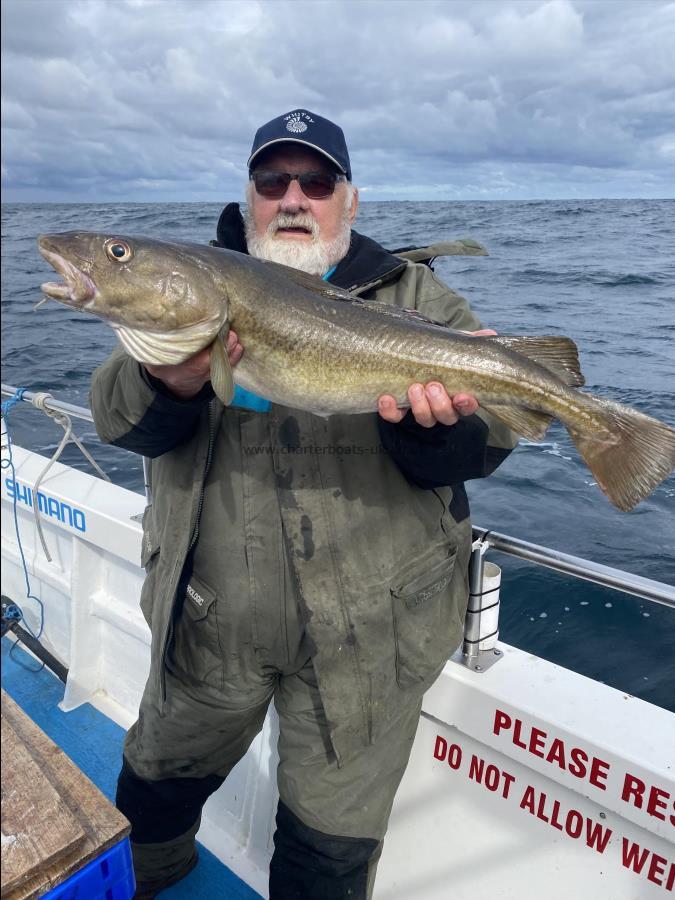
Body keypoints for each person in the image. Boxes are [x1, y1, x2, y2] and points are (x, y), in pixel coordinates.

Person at [89, 109, 517, 900]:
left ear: (348, 201)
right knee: (154, 787)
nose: (293, 198)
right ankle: (145, 880)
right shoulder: (186, 286)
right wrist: (167, 381)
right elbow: (118, 422)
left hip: (371, 638)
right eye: (271, 181)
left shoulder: (415, 294)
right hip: (207, 617)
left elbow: (489, 445)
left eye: (315, 182)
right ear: (248, 198)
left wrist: (432, 433)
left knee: (328, 851)